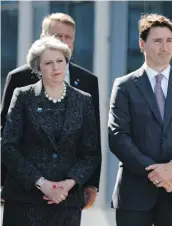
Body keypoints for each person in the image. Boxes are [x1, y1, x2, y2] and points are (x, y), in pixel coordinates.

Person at [108, 14, 172, 226]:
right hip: (135, 194)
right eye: (157, 41)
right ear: (142, 44)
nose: (164, 47)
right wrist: (155, 171)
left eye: (169, 40)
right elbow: (118, 136)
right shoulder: (124, 86)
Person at [1, 13, 101, 208]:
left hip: (68, 192)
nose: (63, 41)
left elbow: (92, 140)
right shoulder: (19, 79)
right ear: (42, 36)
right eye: (57, 36)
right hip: (24, 190)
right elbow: (6, 135)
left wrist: (90, 183)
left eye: (68, 37)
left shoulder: (88, 82)